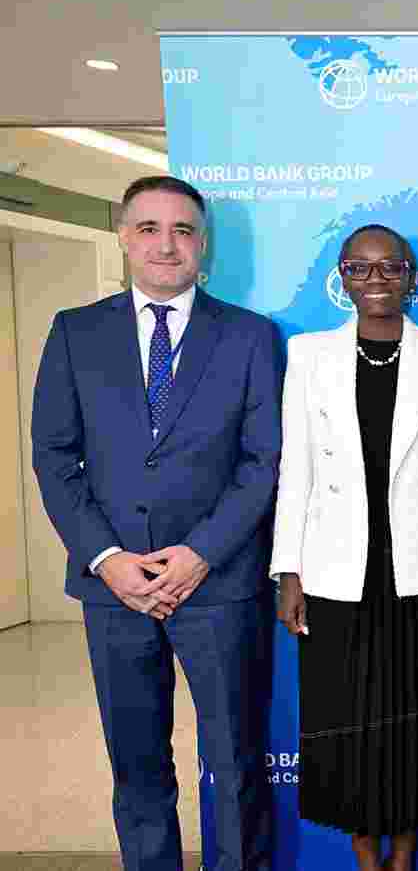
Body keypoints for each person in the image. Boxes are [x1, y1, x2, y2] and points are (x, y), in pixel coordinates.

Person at [31, 176, 281, 871]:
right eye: (149, 228)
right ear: (123, 234)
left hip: (220, 585)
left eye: (182, 230)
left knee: (234, 766)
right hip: (114, 590)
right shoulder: (76, 332)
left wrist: (200, 554)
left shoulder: (251, 336)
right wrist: (106, 557)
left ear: (203, 243)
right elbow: (53, 458)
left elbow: (263, 461)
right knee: (138, 767)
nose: (166, 244)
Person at [270, 224, 418, 870]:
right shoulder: (308, 355)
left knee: (417, 718)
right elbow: (296, 470)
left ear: (411, 275)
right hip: (337, 568)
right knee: (346, 715)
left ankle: (406, 853)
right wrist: (289, 570)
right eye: (360, 269)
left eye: (390, 267)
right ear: (341, 277)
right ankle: (365, 852)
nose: (376, 280)